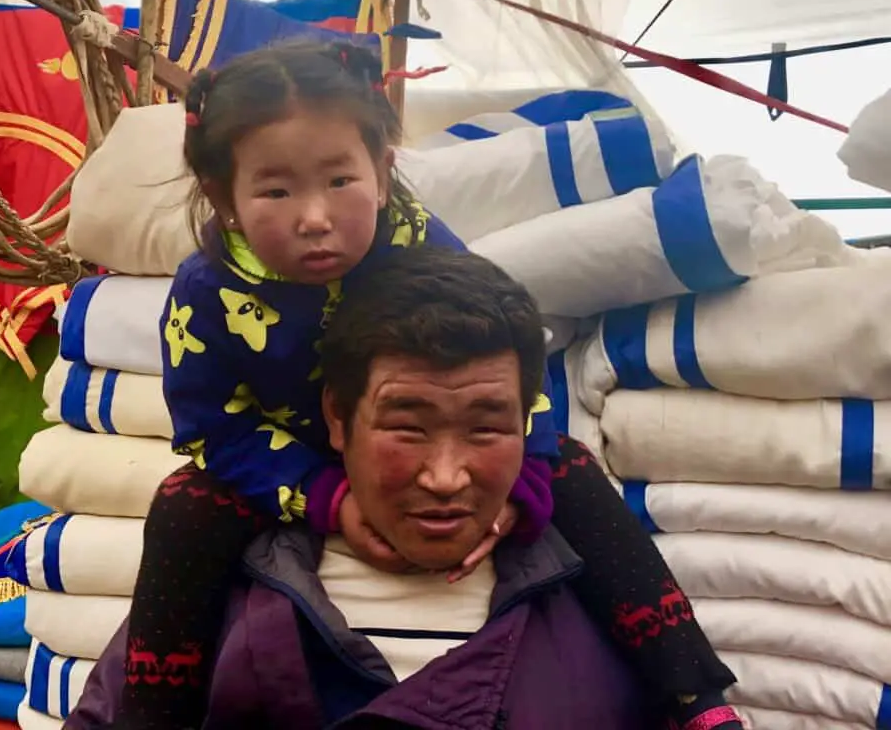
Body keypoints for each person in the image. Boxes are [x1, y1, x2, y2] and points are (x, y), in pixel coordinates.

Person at [117, 39, 738, 729]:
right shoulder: (207, 293)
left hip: (421, 439)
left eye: (340, 180)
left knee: (575, 474)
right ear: (222, 197)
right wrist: (324, 496)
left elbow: (499, 369)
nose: (315, 216)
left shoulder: (418, 240)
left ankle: (694, 697)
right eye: (276, 189)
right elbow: (212, 426)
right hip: (282, 462)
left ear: (382, 172)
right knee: (182, 507)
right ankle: (150, 713)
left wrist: (513, 487)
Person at [70, 246, 741, 730]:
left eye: (486, 429)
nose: (445, 477)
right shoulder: (210, 594)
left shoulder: (606, 605)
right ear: (336, 416)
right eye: (407, 427)